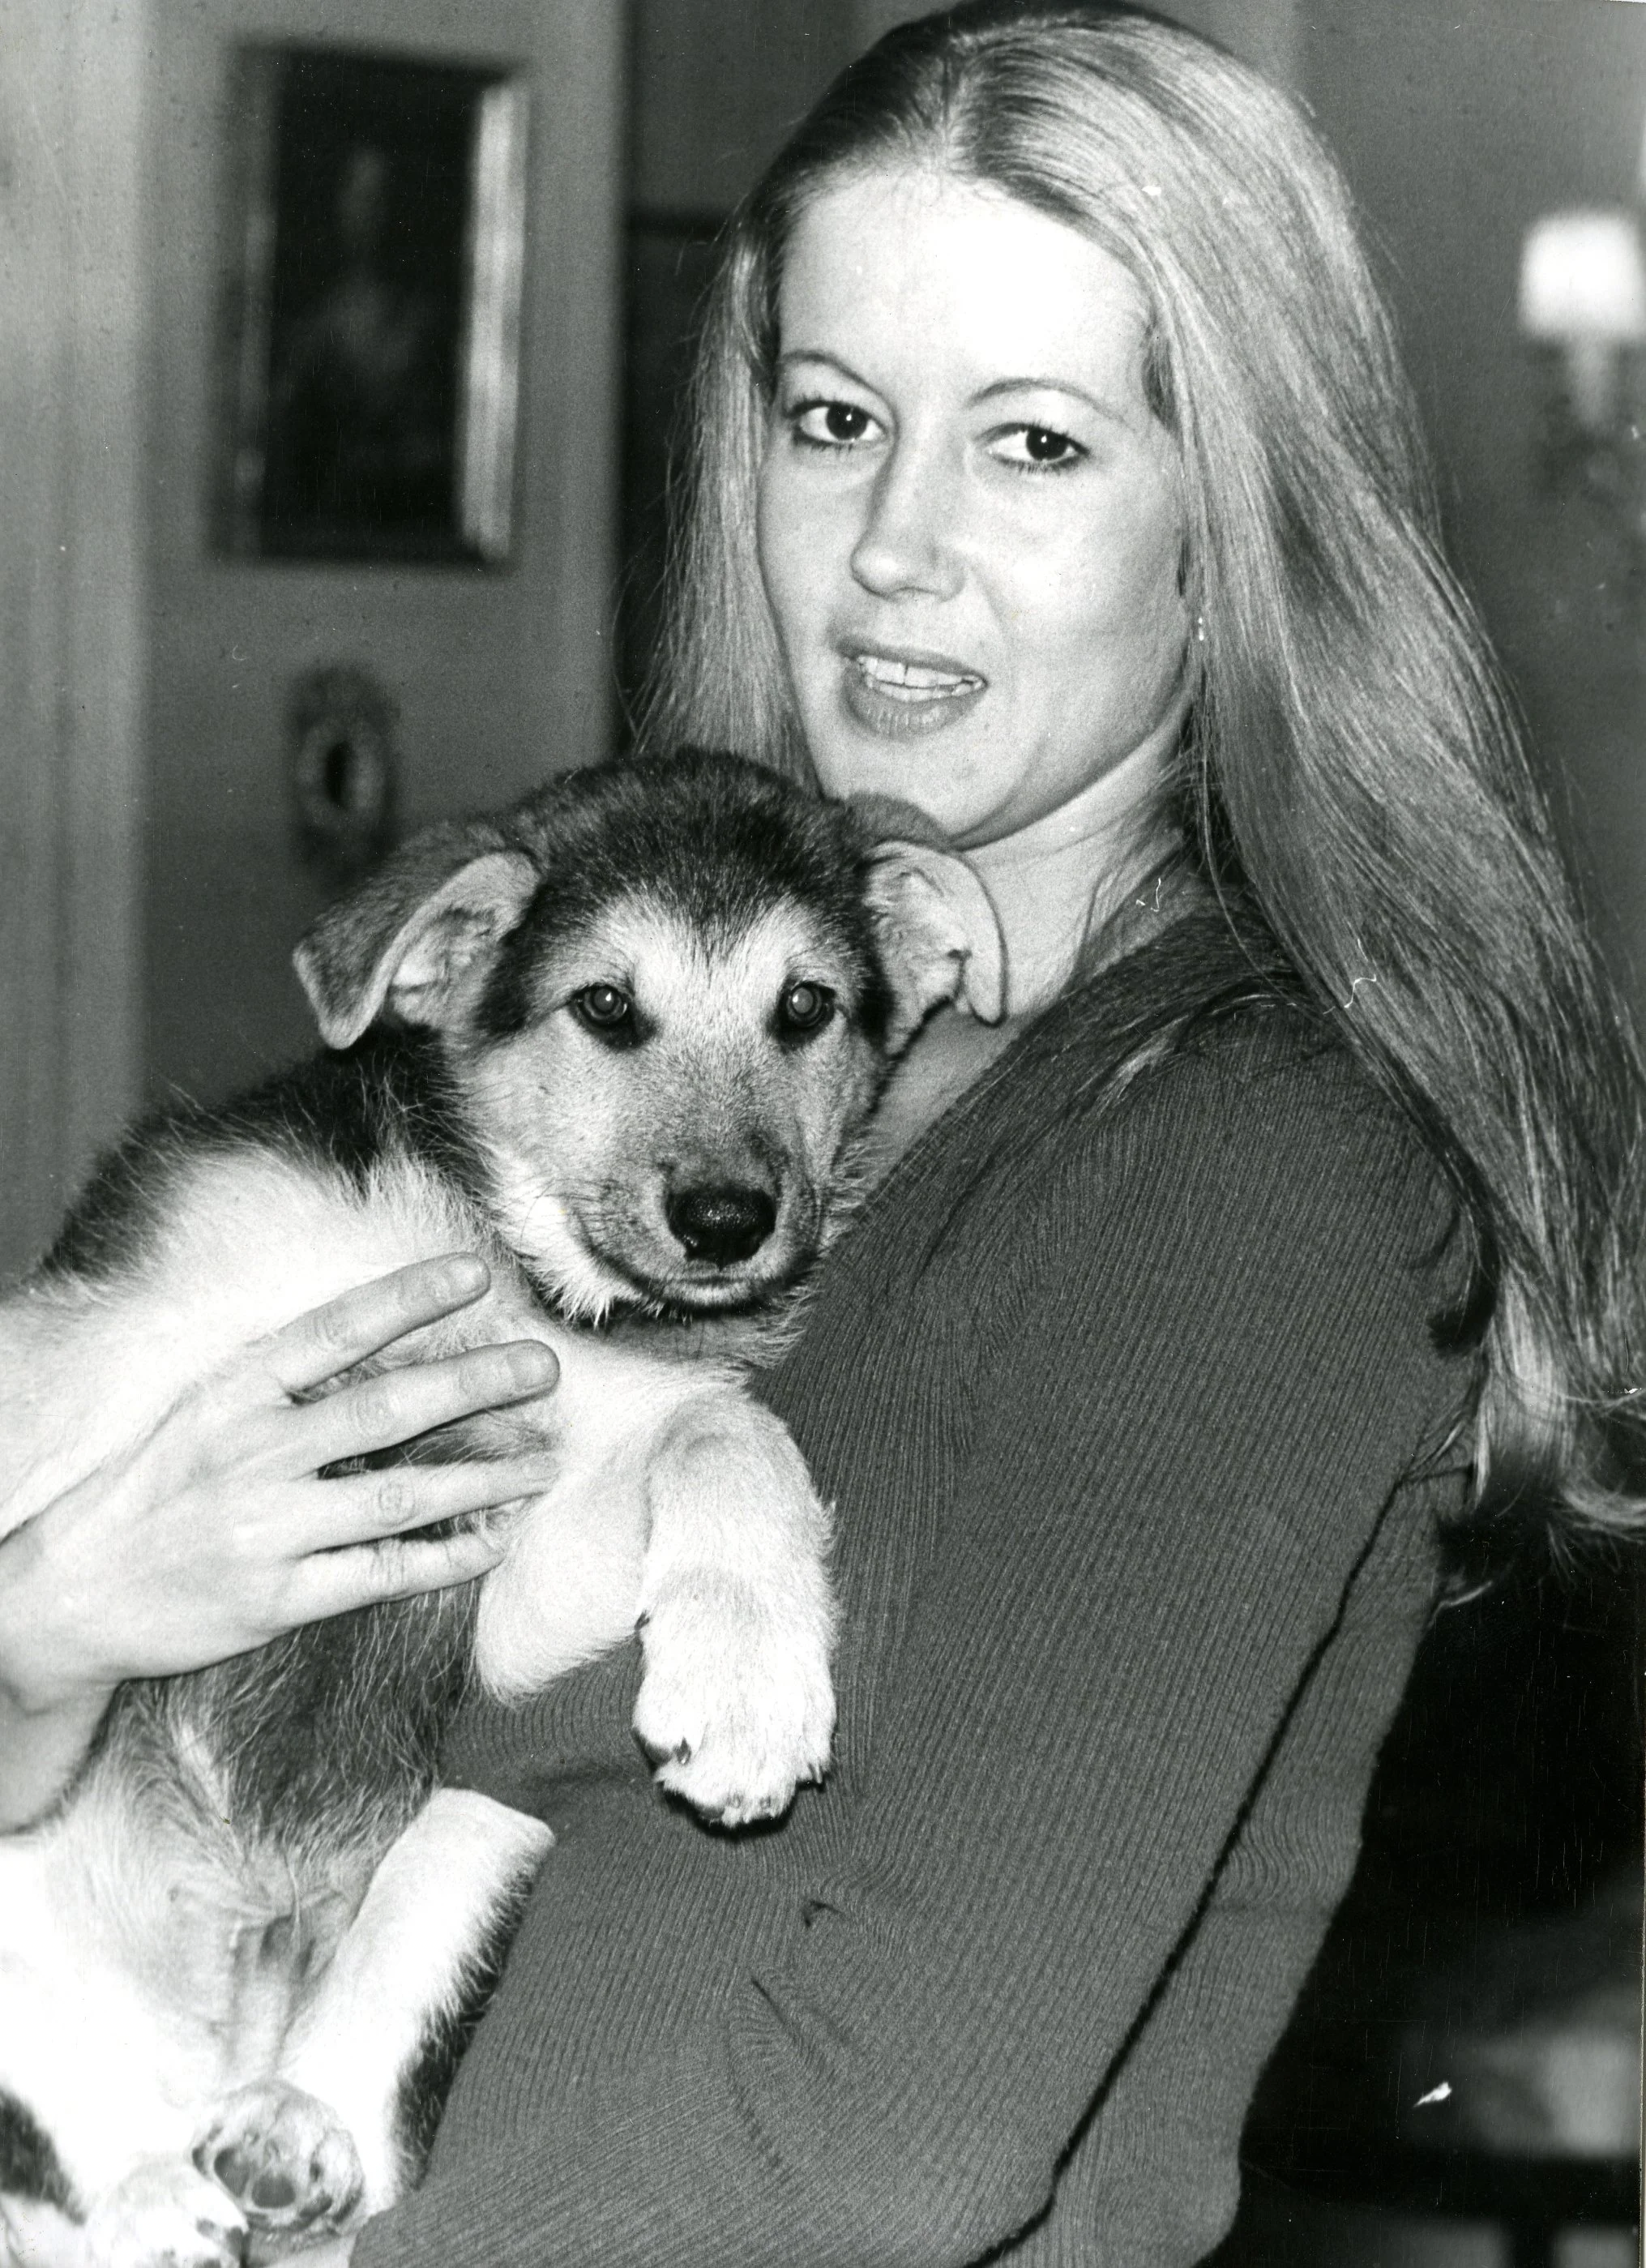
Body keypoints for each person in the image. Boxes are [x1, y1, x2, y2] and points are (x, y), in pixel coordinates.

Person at [2, 5, 1642, 2262]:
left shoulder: (1256, 1156)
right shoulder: (786, 1104)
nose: (893, 549)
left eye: (1034, 444)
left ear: (1233, 521)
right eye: (836, 419)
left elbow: (868, 2144)